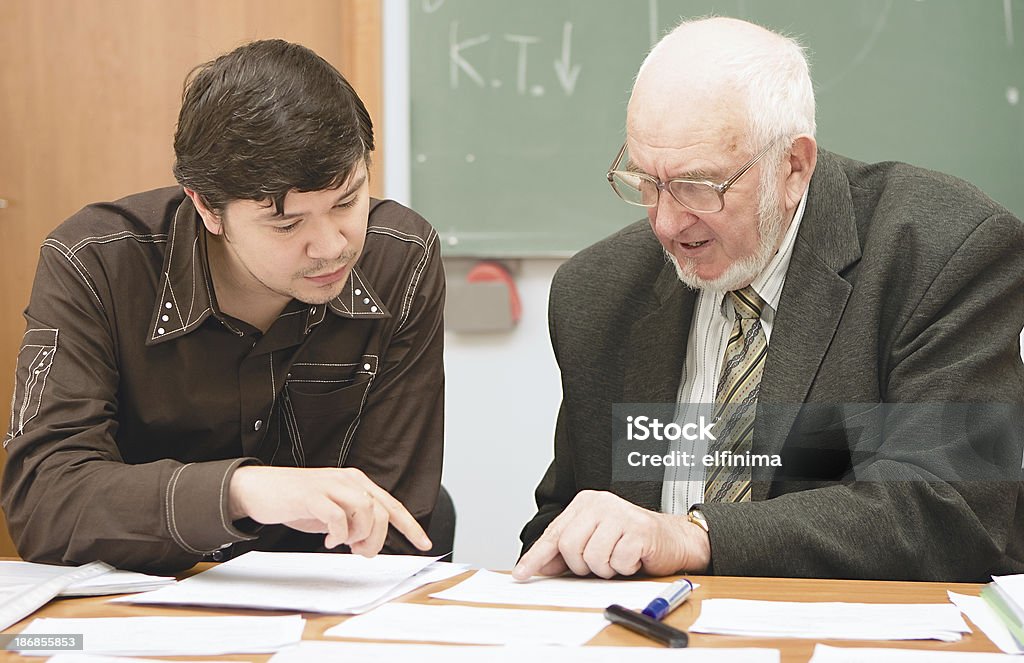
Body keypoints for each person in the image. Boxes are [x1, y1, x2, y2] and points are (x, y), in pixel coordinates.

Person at [516, 17, 1024, 582]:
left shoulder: (939, 252)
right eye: (646, 181)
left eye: (697, 186)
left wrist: (695, 537)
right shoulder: (599, 290)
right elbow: (567, 515)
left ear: (793, 167)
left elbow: (947, 509)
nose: (665, 222)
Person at [2, 40, 444, 573]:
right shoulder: (97, 264)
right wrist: (237, 491)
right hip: (143, 616)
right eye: (286, 223)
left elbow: (389, 518)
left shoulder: (399, 259)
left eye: (347, 201)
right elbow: (43, 503)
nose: (331, 246)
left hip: (324, 612)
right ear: (207, 207)